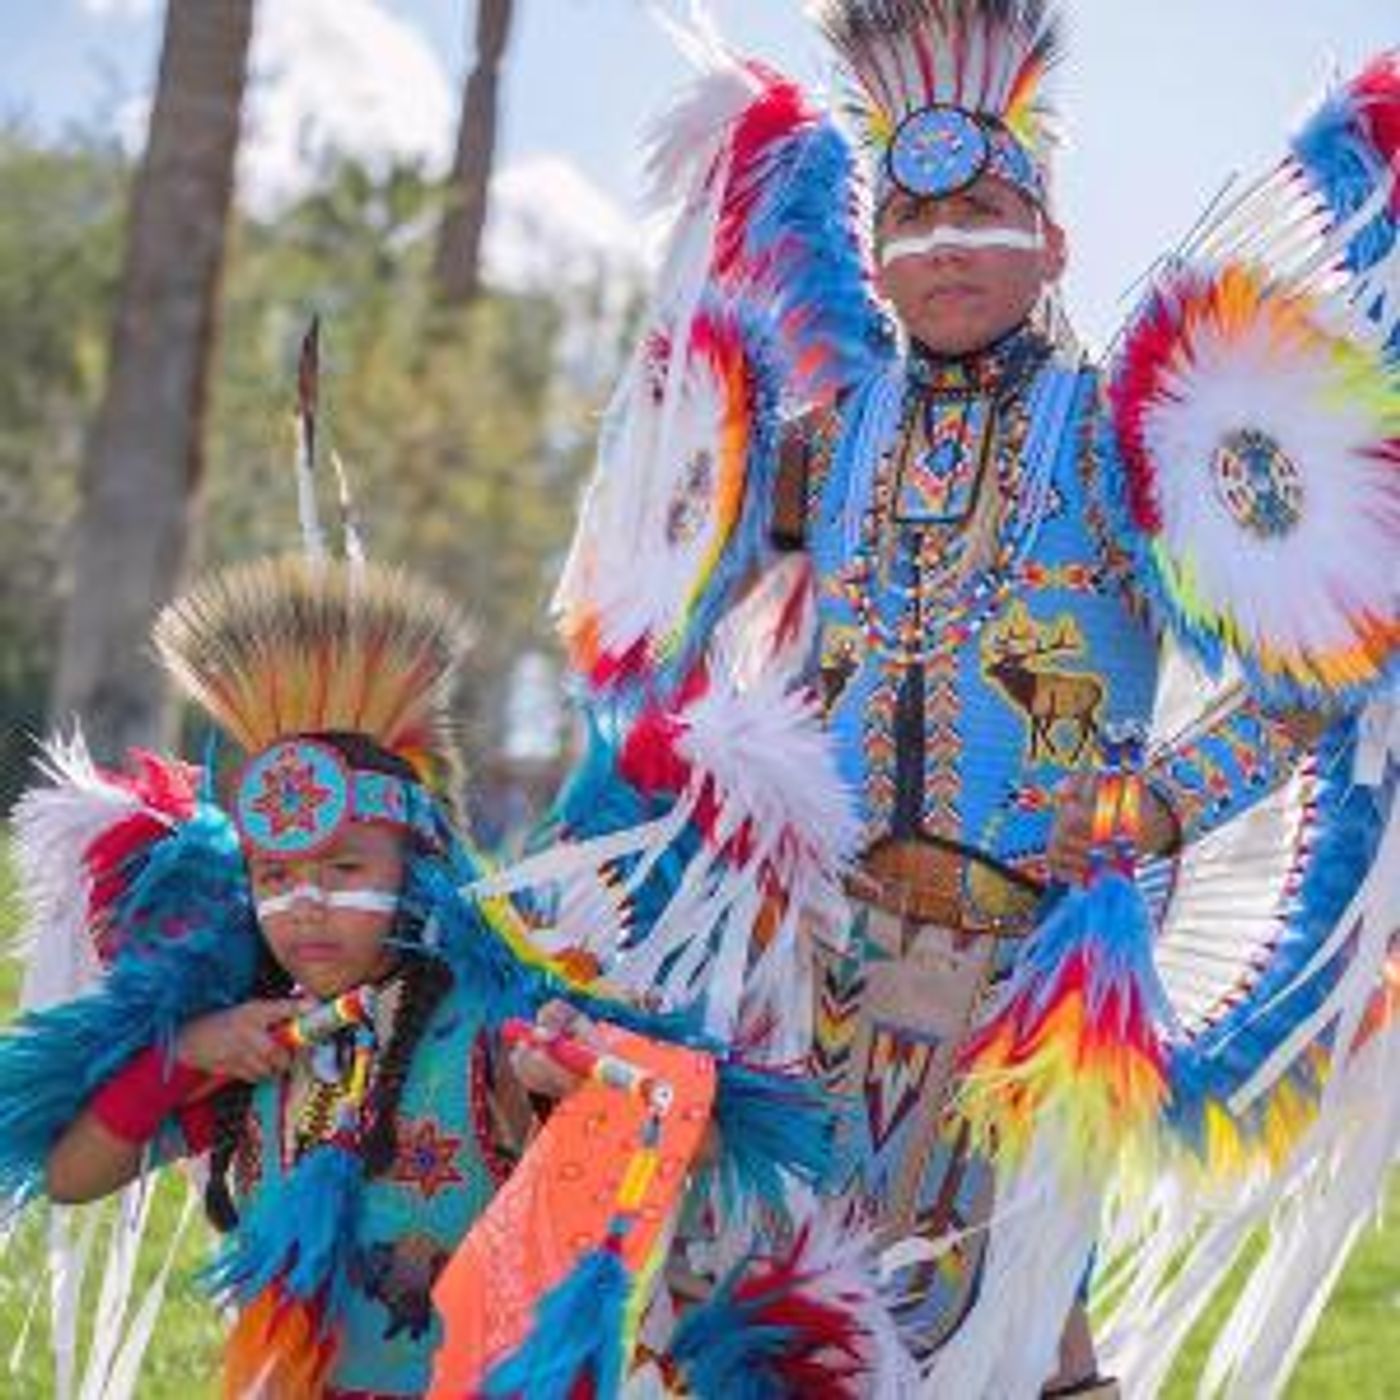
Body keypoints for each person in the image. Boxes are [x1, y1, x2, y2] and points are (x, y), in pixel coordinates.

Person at [541, 2, 1398, 1394]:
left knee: (1005, 1311)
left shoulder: (1124, 438)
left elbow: (1312, 671)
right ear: (871, 252)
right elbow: (660, 572)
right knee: (751, 1295)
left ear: (1054, 239)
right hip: (820, 949)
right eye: (909, 217)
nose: (943, 245)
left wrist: (1161, 797)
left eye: (984, 209)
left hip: (1032, 965)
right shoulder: (829, 443)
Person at [4, 549, 837, 1398]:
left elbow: (704, 1141)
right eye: (275, 877)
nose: (305, 905)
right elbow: (74, 1177)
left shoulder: (486, 1025)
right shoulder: (250, 1039)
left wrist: (577, 1079)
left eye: (344, 869)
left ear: (414, 867)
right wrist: (188, 1050)